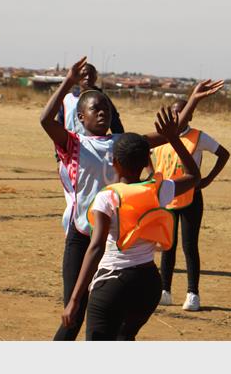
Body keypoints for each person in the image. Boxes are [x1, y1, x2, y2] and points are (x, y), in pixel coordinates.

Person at [40, 56, 222, 341]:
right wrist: (68, 82)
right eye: (95, 108)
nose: (102, 112)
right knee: (73, 315)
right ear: (81, 117)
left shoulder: (121, 143)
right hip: (81, 236)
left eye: (106, 109)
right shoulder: (73, 144)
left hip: (113, 239)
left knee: (112, 316)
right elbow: (45, 120)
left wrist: (192, 102)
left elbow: (168, 133)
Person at [61, 106, 202, 340]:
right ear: (147, 159)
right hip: (148, 285)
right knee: (125, 338)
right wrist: (174, 139)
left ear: (114, 162)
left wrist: (75, 300)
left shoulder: (108, 197)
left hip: (113, 283)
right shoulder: (158, 190)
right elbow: (193, 176)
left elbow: (95, 248)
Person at [156, 98, 230, 311]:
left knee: (189, 246)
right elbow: (152, 161)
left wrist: (207, 179)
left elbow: (223, 154)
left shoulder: (198, 136)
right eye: (174, 112)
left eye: (181, 112)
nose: (177, 116)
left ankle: (192, 293)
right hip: (168, 197)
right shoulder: (162, 138)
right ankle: (165, 291)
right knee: (167, 245)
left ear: (189, 115)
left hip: (191, 197)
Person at [57, 62, 124, 135]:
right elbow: (60, 122)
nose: (87, 78)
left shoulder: (103, 98)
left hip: (95, 143)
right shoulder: (67, 99)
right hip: (71, 143)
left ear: (95, 78)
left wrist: (120, 141)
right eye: (84, 75)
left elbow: (115, 122)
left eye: (91, 75)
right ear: (78, 77)